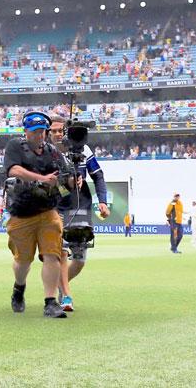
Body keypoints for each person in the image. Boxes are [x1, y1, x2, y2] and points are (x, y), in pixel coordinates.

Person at [3, 111, 74, 319]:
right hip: (21, 212)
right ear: (26, 132)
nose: (40, 136)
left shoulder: (53, 152)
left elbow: (66, 179)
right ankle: (19, 287)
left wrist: (72, 181)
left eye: (42, 132)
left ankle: (50, 302)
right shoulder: (15, 146)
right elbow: (14, 170)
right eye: (35, 132)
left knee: (52, 254)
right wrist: (41, 178)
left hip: (47, 211)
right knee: (23, 261)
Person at [49, 115, 110, 312]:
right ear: (48, 133)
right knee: (62, 252)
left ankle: (60, 285)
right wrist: (66, 184)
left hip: (81, 206)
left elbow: (98, 175)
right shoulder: (46, 154)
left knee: (80, 260)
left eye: (61, 130)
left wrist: (103, 201)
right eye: (54, 131)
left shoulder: (83, 149)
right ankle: (66, 295)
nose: (58, 134)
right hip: (56, 208)